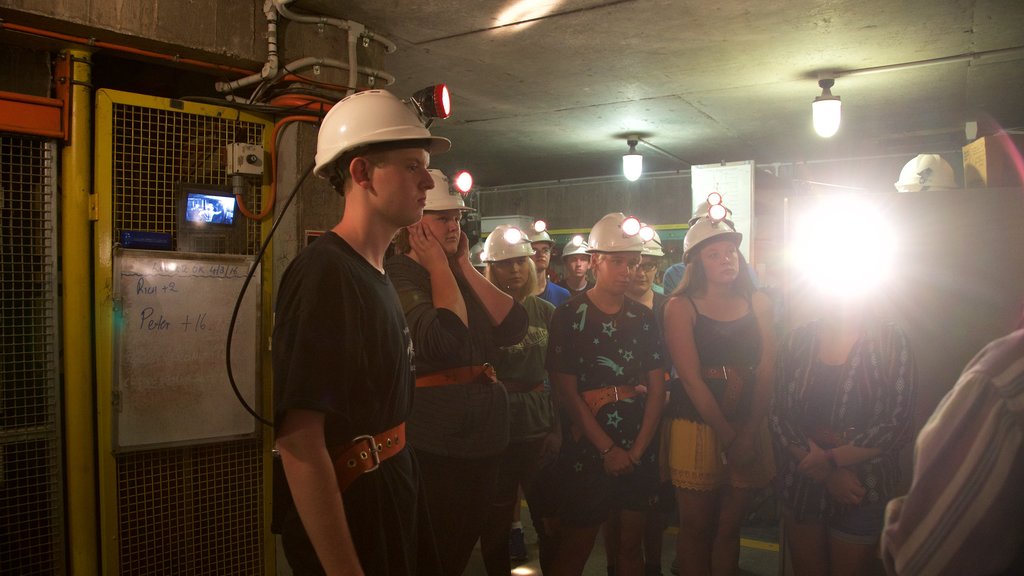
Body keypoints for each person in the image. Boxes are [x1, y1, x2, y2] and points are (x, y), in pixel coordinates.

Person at [272, 89, 448, 576]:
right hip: (357, 507)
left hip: (388, 490)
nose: (428, 181)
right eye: (412, 165)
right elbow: (299, 442)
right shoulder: (325, 273)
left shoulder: (375, 271)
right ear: (362, 172)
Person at [386, 171, 529, 576]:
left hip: (483, 434)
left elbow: (513, 327)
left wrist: (463, 265)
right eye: (442, 219)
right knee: (439, 549)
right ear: (415, 223)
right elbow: (441, 341)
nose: (453, 226)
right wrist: (436, 265)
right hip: (438, 438)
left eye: (456, 219)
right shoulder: (401, 274)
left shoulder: (456, 273)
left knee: (468, 540)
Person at [546, 212, 667, 576]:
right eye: (617, 262)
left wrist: (638, 450)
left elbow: (658, 386)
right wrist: (608, 449)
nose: (628, 271)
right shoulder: (568, 315)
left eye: (633, 263)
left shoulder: (644, 318)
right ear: (595, 260)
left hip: (637, 442)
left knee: (632, 545)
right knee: (578, 543)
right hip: (588, 443)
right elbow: (566, 391)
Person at [663, 207, 777, 576]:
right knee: (696, 528)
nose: (726, 258)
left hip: (748, 422)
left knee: (730, 528)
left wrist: (748, 431)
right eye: (714, 254)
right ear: (696, 262)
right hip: (697, 425)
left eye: (730, 251)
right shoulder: (681, 306)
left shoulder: (758, 302)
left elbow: (768, 369)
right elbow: (691, 378)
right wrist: (729, 437)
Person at [770, 291, 916, 575]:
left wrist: (833, 459)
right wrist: (827, 472)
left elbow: (899, 423)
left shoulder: (890, 340)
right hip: (802, 484)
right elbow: (778, 416)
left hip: (861, 488)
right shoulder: (797, 340)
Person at [880, 324, 1024, 575]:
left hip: (869, 483)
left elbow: (924, 561)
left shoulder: (1005, 374)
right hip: (808, 482)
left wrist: (839, 457)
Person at [478, 225, 561, 575]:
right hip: (497, 427)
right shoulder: (480, 312)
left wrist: (557, 428)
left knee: (549, 520)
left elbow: (559, 376)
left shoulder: (546, 312)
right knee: (496, 522)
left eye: (520, 262)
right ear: (490, 269)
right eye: (504, 264)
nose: (514, 270)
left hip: (538, 423)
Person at [531, 224, 572, 307]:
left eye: (545, 250)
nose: (541, 254)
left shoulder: (562, 295)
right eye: (534, 250)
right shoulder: (517, 294)